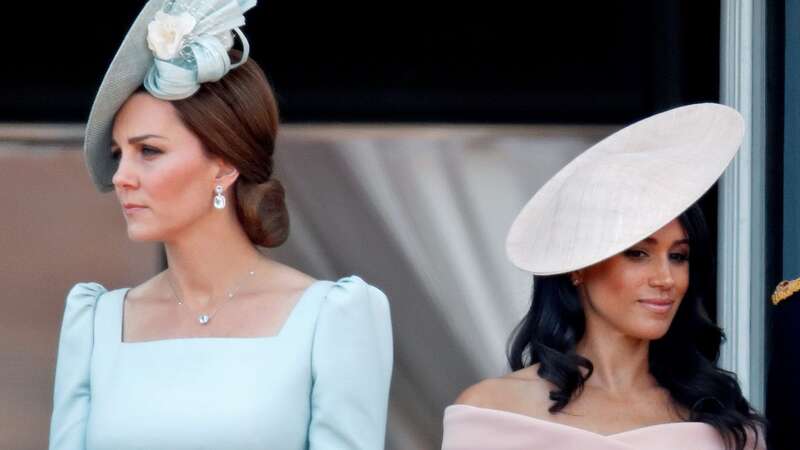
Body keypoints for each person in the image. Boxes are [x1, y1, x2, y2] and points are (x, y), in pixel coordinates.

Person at [48, 1, 392, 449]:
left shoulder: (331, 318)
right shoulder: (95, 323)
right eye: (118, 155)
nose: (120, 177)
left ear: (225, 164)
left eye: (148, 151)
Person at [441, 104, 765, 450]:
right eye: (638, 253)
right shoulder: (492, 412)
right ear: (579, 266)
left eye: (678, 256)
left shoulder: (719, 418)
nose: (666, 278)